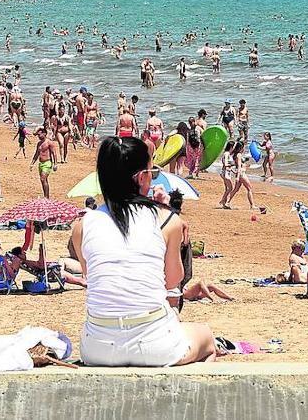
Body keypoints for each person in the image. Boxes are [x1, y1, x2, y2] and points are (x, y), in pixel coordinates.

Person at [71, 136, 217, 366]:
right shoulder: (167, 219)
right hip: (153, 344)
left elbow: (92, 275)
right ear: (141, 178)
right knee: (206, 336)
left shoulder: (82, 225)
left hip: (97, 345)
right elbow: (173, 281)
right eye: (152, 172)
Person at [31, 126, 56, 198]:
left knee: (43, 178)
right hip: (40, 163)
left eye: (39, 134)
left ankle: (46, 197)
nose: (38, 136)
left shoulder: (49, 143)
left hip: (47, 163)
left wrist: (55, 164)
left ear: (44, 134)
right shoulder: (39, 144)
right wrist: (32, 163)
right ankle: (46, 195)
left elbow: (54, 153)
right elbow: (36, 154)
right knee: (43, 180)